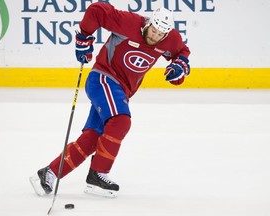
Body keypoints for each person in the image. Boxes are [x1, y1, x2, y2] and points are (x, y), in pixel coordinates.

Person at [30, 2, 190, 198]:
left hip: (121, 91)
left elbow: (181, 52)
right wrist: (84, 37)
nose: (155, 36)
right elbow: (96, 11)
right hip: (103, 78)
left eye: (160, 35)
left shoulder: (171, 39)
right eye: (154, 30)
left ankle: (49, 173)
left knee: (93, 138)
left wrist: (179, 68)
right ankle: (98, 174)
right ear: (149, 23)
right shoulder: (129, 23)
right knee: (121, 120)